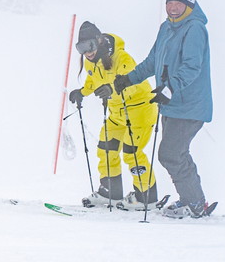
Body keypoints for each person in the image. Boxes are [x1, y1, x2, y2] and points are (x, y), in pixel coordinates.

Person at [113, 0, 212, 218]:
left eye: (178, 3)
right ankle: (192, 200)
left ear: (189, 4)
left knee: (170, 153)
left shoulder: (194, 28)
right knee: (175, 153)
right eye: (169, 3)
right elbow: (152, 61)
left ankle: (195, 203)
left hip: (189, 103)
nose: (173, 7)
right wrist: (129, 79)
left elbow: (192, 66)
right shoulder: (166, 28)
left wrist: (169, 89)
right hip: (171, 104)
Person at [67, 21, 158, 208]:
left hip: (139, 109)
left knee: (132, 153)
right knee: (106, 148)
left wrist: (111, 90)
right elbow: (93, 80)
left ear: (99, 41)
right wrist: (82, 92)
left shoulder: (121, 57)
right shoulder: (90, 61)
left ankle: (145, 197)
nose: (87, 52)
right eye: (81, 48)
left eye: (89, 46)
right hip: (117, 113)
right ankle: (110, 192)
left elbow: (132, 84)